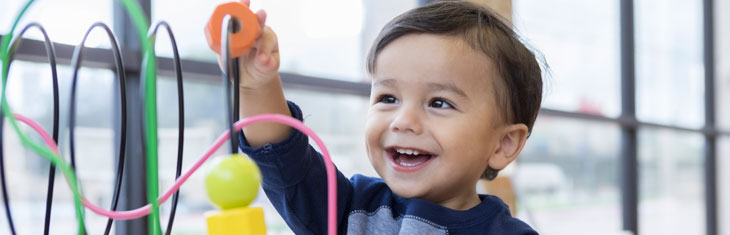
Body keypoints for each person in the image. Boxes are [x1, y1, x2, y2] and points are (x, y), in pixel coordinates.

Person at [226, 0, 543, 234]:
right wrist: (257, 84)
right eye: (388, 98)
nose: (402, 121)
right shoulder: (350, 207)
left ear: (503, 143)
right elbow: (284, 159)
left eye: (439, 103)